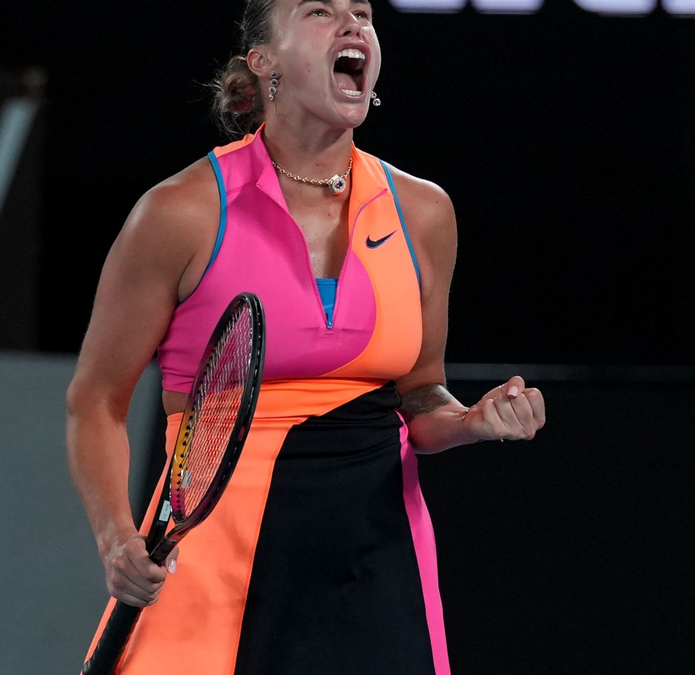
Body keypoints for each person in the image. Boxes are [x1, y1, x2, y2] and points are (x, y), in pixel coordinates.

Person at [65, 0, 546, 673]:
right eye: (321, 10)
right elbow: (95, 400)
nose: (354, 26)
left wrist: (473, 421)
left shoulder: (424, 212)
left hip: (378, 567)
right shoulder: (179, 213)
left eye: (363, 13)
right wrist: (117, 537)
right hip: (213, 568)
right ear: (263, 62)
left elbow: (420, 396)